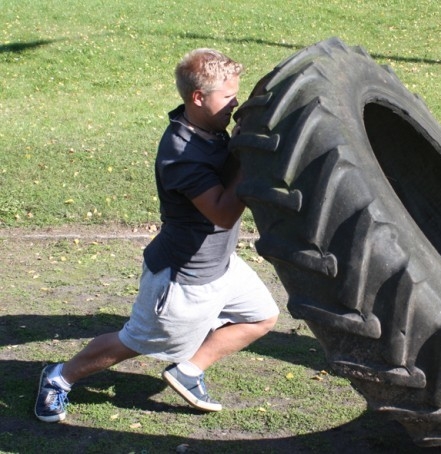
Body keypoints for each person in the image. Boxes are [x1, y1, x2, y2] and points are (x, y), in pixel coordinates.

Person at [34, 48, 279, 422]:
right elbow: (224, 214)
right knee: (134, 342)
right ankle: (58, 378)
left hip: (222, 266)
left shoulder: (209, 129)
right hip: (183, 277)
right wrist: (250, 155)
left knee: (262, 315)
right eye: (228, 97)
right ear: (198, 98)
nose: (236, 104)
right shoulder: (182, 152)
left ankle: (188, 370)